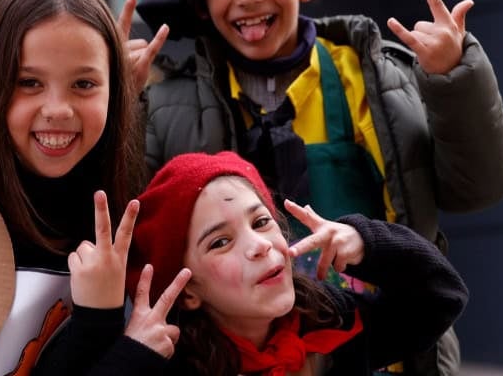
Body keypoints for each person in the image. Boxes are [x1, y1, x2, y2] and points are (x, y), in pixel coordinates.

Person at [132, 0, 503, 374]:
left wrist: (455, 77)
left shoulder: (380, 78)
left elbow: (477, 189)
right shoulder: (165, 107)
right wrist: (117, 103)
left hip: (388, 350)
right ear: (201, 3)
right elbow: (126, 235)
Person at [33, 151, 469, 376]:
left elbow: (441, 297)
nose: (259, 245)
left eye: (261, 221)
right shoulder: (165, 368)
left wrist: (366, 241)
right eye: (220, 242)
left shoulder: (333, 323)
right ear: (187, 291)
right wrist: (128, 355)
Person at [0, 0, 145, 375]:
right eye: (30, 82)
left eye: (84, 84)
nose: (58, 109)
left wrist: (105, 320)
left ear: (116, 90)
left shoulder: (127, 215)